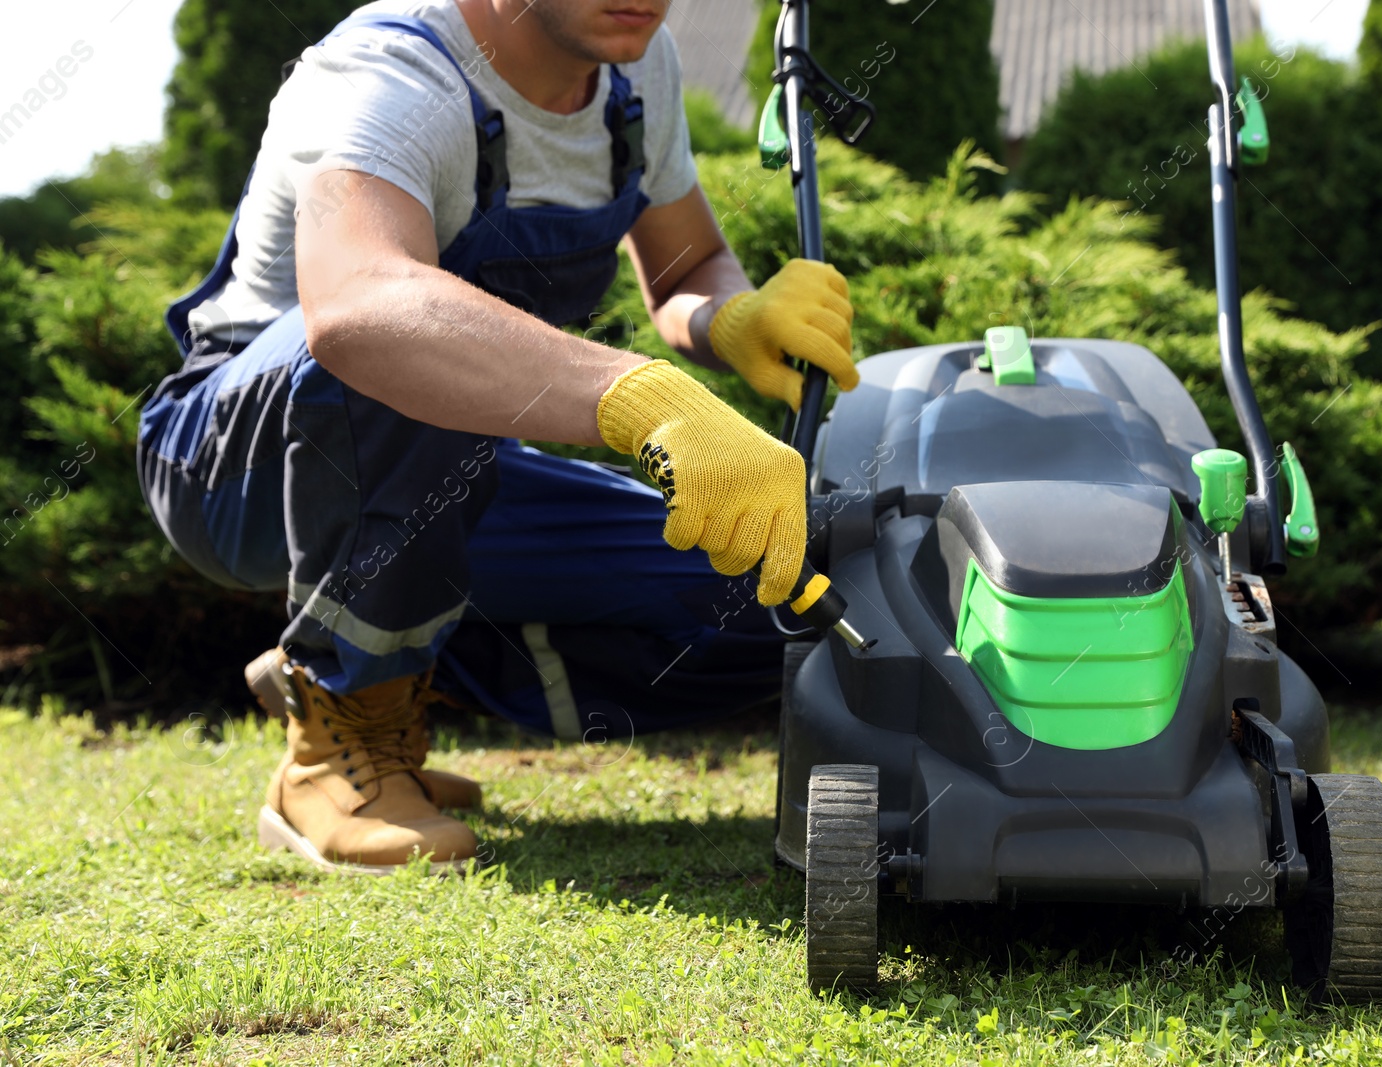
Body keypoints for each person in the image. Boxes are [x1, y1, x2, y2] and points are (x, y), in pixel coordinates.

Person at [136, 0, 858, 876]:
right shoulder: (395, 74)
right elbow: (359, 305)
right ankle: (334, 737)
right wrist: (643, 398)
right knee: (399, 335)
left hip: (448, 465)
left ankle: (364, 660)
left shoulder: (637, 65)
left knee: (776, 606)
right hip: (230, 464)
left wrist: (730, 317)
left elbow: (683, 267)